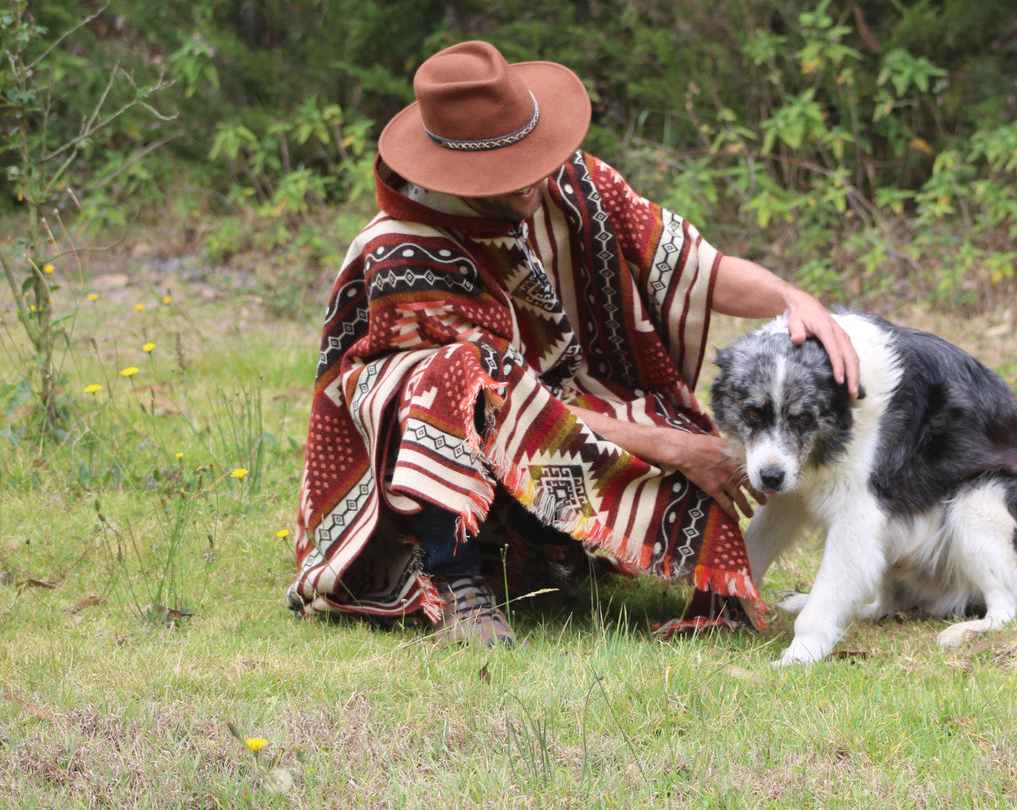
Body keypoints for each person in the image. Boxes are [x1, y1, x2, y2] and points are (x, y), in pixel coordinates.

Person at [286, 40, 859, 648]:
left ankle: (546, 552)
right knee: (457, 373)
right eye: (507, 169)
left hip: (560, 404)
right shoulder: (405, 246)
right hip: (436, 432)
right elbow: (505, 401)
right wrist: (674, 445)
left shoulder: (570, 180)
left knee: (704, 476)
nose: (532, 176)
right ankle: (452, 571)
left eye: (529, 155)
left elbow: (690, 264)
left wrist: (797, 300)